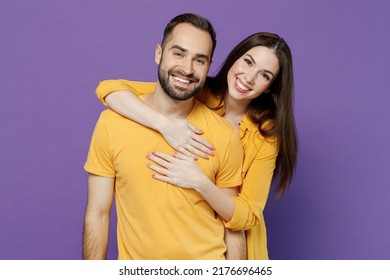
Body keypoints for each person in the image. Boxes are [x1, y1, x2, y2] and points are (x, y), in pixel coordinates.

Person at [95, 31, 298, 259]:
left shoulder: (266, 135)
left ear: (270, 87)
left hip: (239, 246)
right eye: (248, 62)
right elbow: (110, 89)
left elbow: (249, 214)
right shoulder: (197, 90)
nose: (249, 77)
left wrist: (200, 182)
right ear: (235, 58)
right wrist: (164, 125)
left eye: (264, 75)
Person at [83, 13, 245, 260]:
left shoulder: (223, 135)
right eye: (178, 54)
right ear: (159, 53)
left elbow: (232, 226)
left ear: (209, 67)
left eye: (199, 60)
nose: (187, 69)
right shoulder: (112, 123)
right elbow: (98, 213)